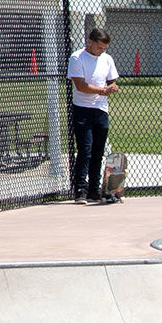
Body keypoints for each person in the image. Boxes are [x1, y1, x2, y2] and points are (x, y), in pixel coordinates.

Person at [67, 28, 121, 205]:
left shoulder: (107, 59)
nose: (101, 51)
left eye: (104, 48)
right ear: (89, 42)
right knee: (85, 150)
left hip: (101, 110)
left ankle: (94, 189)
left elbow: (111, 80)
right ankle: (80, 190)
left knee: (98, 151)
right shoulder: (77, 58)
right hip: (83, 109)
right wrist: (102, 90)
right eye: (99, 47)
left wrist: (111, 87)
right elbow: (81, 85)